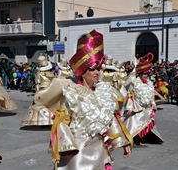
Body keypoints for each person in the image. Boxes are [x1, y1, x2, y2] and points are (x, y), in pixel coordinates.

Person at [33, 30, 132, 169]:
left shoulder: (103, 91)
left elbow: (110, 119)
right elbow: (61, 123)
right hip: (78, 155)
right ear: (83, 72)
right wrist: (59, 151)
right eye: (92, 69)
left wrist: (121, 141)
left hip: (100, 152)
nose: (97, 72)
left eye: (98, 68)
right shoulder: (72, 93)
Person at [123, 52, 164, 145]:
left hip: (147, 107)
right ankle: (137, 139)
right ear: (140, 74)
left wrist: (153, 104)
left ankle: (145, 138)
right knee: (136, 123)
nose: (145, 76)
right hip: (137, 107)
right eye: (144, 74)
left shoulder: (149, 83)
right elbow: (130, 95)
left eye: (147, 74)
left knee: (147, 122)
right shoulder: (135, 82)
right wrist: (129, 107)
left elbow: (151, 95)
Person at [21, 55, 55, 126]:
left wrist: (36, 93)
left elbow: (37, 84)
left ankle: (43, 120)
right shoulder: (51, 74)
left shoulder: (39, 74)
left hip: (42, 91)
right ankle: (52, 119)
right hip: (51, 91)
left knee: (41, 106)